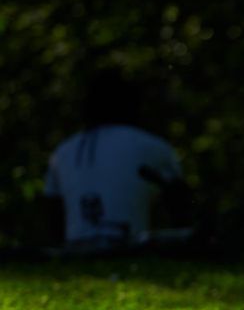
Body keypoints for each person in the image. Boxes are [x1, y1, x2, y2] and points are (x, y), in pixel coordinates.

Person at [41, 68, 190, 252]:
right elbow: (181, 209)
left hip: (75, 247)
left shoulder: (63, 151)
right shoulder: (151, 145)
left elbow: (52, 214)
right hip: (132, 246)